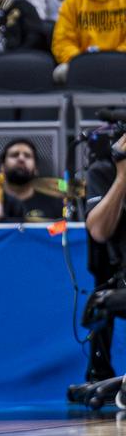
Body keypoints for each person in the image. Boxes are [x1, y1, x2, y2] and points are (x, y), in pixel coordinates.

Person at [83, 132, 126, 383]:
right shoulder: (104, 171)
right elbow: (98, 230)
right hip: (122, 277)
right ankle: (100, 375)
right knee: (100, 302)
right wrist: (122, 177)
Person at [1, 138, 64, 220]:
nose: (21, 159)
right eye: (14, 155)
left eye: (27, 156)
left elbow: (60, 231)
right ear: (2, 167)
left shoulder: (54, 203)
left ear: (36, 169)